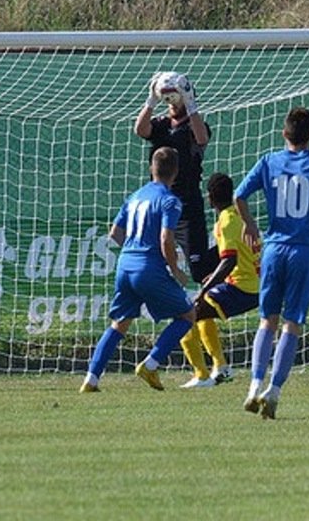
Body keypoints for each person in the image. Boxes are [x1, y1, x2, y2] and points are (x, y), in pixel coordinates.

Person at [236, 106, 309, 419]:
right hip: (304, 250)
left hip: (273, 248)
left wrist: (252, 226)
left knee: (267, 320)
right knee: (292, 323)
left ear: (284, 134)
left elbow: (239, 196)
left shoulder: (269, 161)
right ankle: (275, 390)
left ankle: (254, 384)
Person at [79, 146, 197, 392]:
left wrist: (133, 252)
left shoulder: (134, 197)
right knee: (187, 315)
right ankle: (151, 364)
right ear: (176, 172)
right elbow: (166, 239)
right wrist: (175, 270)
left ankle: (91, 379)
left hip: (125, 264)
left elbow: (115, 233)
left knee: (119, 323)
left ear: (151, 169)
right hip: (148, 267)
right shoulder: (169, 200)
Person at [178, 172, 259, 388]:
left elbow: (229, 261)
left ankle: (201, 376)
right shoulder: (241, 215)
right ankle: (220, 368)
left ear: (209, 198)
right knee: (204, 315)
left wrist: (206, 286)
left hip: (241, 289)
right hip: (251, 286)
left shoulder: (227, 220)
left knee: (186, 314)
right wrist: (213, 278)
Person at [135, 71, 210, 282]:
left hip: (187, 205)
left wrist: (190, 103)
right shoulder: (161, 125)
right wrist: (151, 100)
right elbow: (140, 130)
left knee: (199, 270)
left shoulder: (194, 125)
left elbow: (202, 138)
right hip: (159, 202)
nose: (172, 102)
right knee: (152, 264)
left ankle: (233, 252)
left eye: (177, 96)